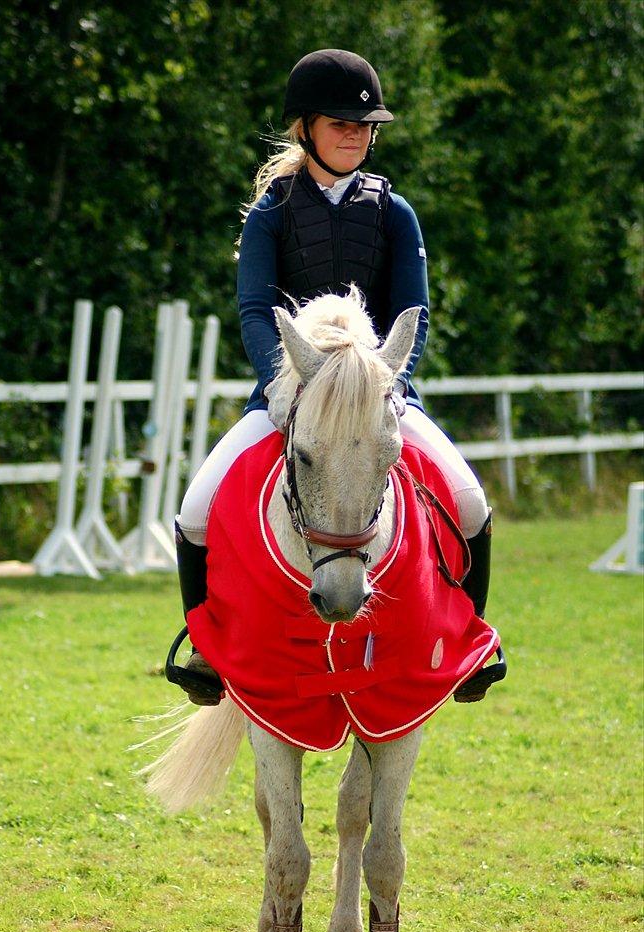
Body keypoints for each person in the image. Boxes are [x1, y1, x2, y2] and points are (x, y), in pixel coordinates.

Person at [174, 49, 499, 705]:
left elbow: (414, 313)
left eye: (363, 126)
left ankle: (470, 640)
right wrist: (284, 384)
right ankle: (206, 651)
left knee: (470, 504)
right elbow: (254, 311)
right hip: (286, 393)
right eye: (339, 124)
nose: (354, 135)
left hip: (378, 396)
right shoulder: (271, 213)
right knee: (195, 512)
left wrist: (387, 385)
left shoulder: (394, 213)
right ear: (305, 128)